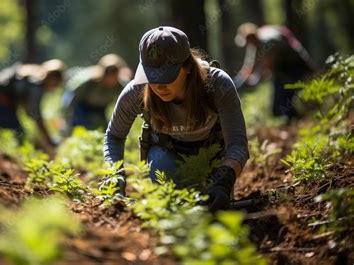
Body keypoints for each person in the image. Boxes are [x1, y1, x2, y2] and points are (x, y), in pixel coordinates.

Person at [103, 26, 249, 212]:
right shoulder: (136, 92)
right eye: (150, 76)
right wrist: (115, 175)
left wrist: (225, 180)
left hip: (213, 159)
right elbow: (114, 135)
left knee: (214, 204)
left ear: (187, 67)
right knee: (169, 198)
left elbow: (238, 143)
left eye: (165, 77)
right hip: (168, 155)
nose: (157, 86)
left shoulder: (217, 84)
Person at [0, 59, 66, 153]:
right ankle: (6, 157)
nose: (56, 87)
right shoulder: (36, 87)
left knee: (2, 134)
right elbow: (36, 117)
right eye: (57, 83)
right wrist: (50, 141)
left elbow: (28, 111)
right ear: (53, 78)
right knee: (19, 136)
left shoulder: (30, 73)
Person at [233, 23, 314, 119]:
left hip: (292, 68)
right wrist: (235, 82)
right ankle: (297, 120)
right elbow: (249, 66)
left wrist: (254, 77)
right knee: (280, 107)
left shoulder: (267, 41)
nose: (247, 45)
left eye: (247, 41)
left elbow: (267, 66)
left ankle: (300, 121)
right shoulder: (255, 45)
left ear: (250, 38)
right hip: (281, 71)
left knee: (283, 103)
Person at [63, 54, 130, 132]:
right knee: (80, 127)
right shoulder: (90, 82)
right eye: (108, 72)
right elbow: (72, 96)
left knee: (105, 130)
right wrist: (66, 118)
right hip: (82, 105)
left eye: (114, 72)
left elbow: (126, 103)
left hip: (100, 109)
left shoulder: (120, 87)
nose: (111, 77)